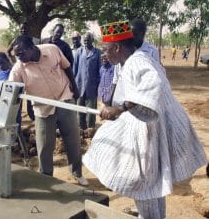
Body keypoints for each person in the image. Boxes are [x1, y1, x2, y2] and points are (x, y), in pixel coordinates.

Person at [82, 20, 207, 219]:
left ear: (116, 46)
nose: (103, 55)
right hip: (146, 126)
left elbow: (154, 82)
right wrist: (115, 107)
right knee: (151, 183)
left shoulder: (138, 61)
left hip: (150, 130)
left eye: (105, 50)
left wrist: (121, 108)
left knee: (143, 182)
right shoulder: (127, 62)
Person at [8, 35, 88, 186]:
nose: (18, 57)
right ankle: (46, 178)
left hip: (64, 99)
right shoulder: (18, 68)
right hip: (42, 108)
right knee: (44, 145)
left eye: (21, 53)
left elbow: (67, 67)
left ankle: (77, 172)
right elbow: (13, 92)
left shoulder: (52, 50)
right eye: (15, 55)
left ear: (32, 48)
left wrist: (75, 88)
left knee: (72, 139)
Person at [7, 22, 36, 121]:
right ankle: (17, 117)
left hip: (30, 70)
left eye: (25, 28)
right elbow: (8, 51)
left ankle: (32, 115)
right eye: (21, 29)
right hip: (20, 70)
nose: (23, 30)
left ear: (29, 29)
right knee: (17, 94)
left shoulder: (33, 40)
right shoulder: (16, 40)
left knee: (30, 93)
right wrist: (13, 62)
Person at [73, 32, 101, 130]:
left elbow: (99, 71)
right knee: (80, 109)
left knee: (91, 111)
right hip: (79, 86)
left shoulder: (97, 53)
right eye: (84, 40)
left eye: (88, 40)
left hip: (92, 86)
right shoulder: (79, 52)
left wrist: (98, 86)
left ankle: (90, 130)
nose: (86, 42)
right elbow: (74, 70)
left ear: (92, 41)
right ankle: (81, 129)